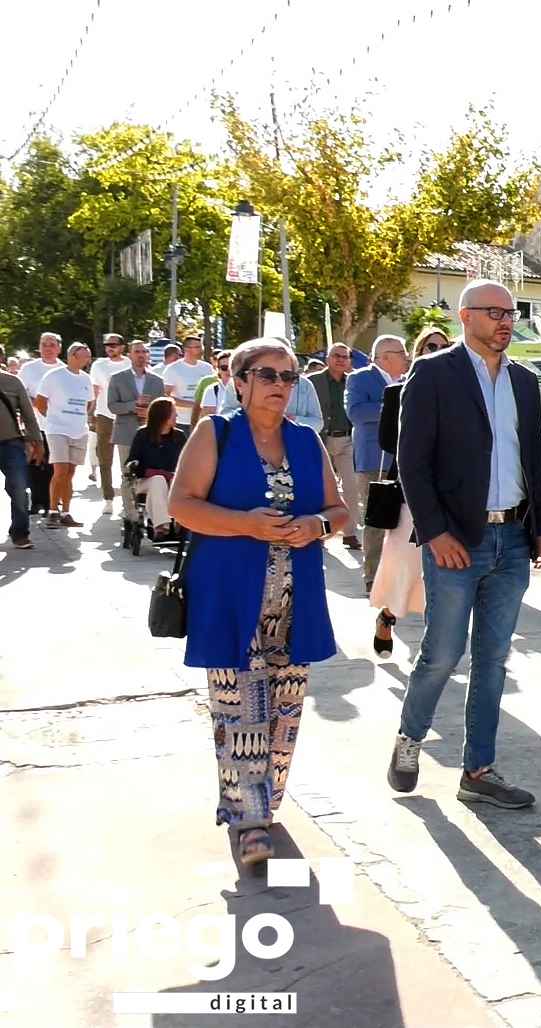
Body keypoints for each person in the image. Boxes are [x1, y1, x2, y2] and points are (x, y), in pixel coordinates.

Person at [168, 338, 349, 866]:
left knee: (284, 713)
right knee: (240, 708)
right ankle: (249, 819)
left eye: (289, 377)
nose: (279, 386)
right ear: (239, 381)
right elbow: (182, 506)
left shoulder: (305, 439)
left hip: (296, 601)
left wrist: (315, 526)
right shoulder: (215, 433)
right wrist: (246, 524)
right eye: (266, 375)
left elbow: (340, 512)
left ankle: (265, 804)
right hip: (230, 595)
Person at [387, 279, 541, 810]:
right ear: (465, 317)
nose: (507, 321)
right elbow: (412, 462)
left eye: (512, 313)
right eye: (495, 312)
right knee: (442, 653)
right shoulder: (433, 374)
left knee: (494, 659)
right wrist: (435, 533)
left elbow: (533, 460)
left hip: (513, 536)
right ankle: (409, 740)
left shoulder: (527, 384)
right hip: (457, 539)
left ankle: (478, 771)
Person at [368, 334, 427, 658]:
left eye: (443, 347)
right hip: (408, 494)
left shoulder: (462, 395)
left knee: (444, 575)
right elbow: (388, 441)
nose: (438, 352)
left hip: (454, 498)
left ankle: (439, 642)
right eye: (430, 347)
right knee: (404, 564)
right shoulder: (397, 393)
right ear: (416, 355)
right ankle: (388, 615)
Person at [348, 335, 408, 594]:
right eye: (401, 353)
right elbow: (357, 413)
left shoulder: (409, 379)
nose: (406, 357)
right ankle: (372, 577)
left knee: (404, 521)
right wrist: (394, 405)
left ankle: (400, 577)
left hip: (407, 459)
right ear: (384, 357)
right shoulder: (359, 378)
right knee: (376, 520)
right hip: (374, 460)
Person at [308, 342, 364, 551]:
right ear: (327, 358)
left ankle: (349, 534)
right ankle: (321, 533)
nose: (340, 360)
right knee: (321, 491)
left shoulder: (354, 382)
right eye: (336, 356)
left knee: (350, 488)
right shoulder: (312, 382)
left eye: (345, 357)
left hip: (347, 441)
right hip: (321, 440)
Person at [34, 342, 94, 529]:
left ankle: (66, 512)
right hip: (57, 430)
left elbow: (88, 404)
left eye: (88, 355)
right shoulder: (54, 376)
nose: (88, 359)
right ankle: (53, 511)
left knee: (70, 473)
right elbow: (41, 402)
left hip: (79, 431)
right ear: (73, 356)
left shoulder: (85, 378)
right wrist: (54, 420)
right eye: (85, 355)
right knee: (59, 470)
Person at [106, 341, 169, 520]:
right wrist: (133, 406)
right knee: (128, 473)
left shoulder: (157, 381)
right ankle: (130, 515)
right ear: (130, 354)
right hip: (126, 432)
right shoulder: (118, 378)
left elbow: (162, 407)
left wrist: (149, 412)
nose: (141, 355)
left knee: (151, 472)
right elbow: (112, 406)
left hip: (151, 434)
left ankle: (150, 512)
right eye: (137, 352)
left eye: (144, 352)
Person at [125, 396, 187, 538]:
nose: (176, 415)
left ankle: (179, 523)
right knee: (158, 480)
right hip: (145, 481)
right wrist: (151, 472)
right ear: (163, 416)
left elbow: (186, 462)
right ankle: (162, 527)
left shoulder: (179, 436)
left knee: (177, 484)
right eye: (173, 412)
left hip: (172, 481)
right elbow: (131, 462)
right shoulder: (142, 434)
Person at [0, 360, 44, 548]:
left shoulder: (12, 382)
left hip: (11, 443)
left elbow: (28, 413)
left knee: (19, 488)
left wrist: (37, 443)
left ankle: (20, 532)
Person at [19, 332, 64, 516]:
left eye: (52, 344)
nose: (47, 348)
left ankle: (51, 501)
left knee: (54, 464)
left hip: (57, 424)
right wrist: (36, 403)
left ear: (59, 348)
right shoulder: (29, 368)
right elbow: (21, 393)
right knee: (35, 463)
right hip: (34, 422)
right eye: (44, 344)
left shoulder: (64, 369)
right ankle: (37, 501)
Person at [88, 333, 130, 516]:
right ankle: (108, 498)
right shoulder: (99, 365)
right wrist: (90, 413)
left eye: (113, 344)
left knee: (127, 461)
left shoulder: (130, 363)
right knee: (105, 459)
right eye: (107, 345)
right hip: (104, 415)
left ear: (122, 346)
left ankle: (128, 499)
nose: (110, 347)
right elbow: (94, 390)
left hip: (126, 416)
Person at [163, 336, 213, 428]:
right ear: (187, 349)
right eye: (197, 347)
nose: (201, 350)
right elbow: (165, 396)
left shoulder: (208, 368)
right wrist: (193, 405)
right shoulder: (173, 369)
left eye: (201, 346)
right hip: (181, 421)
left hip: (203, 420)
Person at [197, 349, 233, 417]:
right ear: (218, 370)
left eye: (231, 367)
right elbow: (208, 419)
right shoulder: (212, 390)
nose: (228, 371)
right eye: (224, 367)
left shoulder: (247, 389)